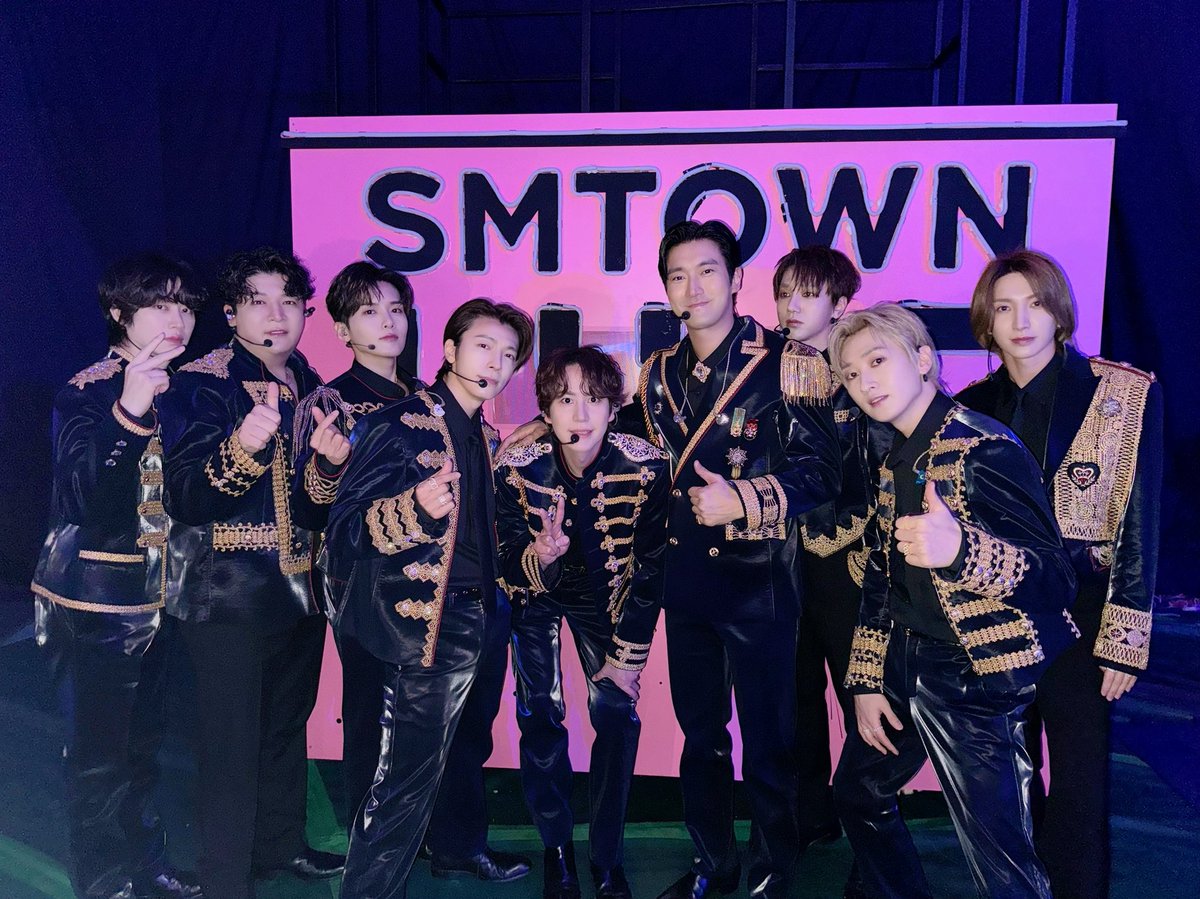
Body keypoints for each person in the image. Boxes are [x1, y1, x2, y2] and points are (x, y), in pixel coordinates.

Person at [829, 303, 1079, 899]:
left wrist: (962, 551)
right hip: (902, 662)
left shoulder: (984, 447)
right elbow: (882, 579)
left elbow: (1056, 579)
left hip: (974, 677)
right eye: (851, 373)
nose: (865, 382)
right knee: (859, 794)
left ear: (923, 359)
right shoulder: (895, 456)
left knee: (1001, 859)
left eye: (877, 361)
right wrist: (865, 682)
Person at [628, 220, 842, 899]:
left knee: (770, 743)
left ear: (737, 278)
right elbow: (635, 452)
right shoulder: (656, 373)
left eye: (708, 271)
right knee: (701, 738)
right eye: (678, 275)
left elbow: (823, 473)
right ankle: (712, 864)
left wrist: (744, 500)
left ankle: (774, 868)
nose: (693, 287)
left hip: (759, 585)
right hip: (687, 582)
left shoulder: (789, 361)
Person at [956, 249, 1162, 899]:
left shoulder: (1123, 394)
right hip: (998, 615)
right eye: (1004, 307)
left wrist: (1124, 639)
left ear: (1059, 311)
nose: (1021, 322)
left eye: (1035, 304)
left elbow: (1140, 520)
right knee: (1009, 780)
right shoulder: (966, 407)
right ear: (987, 319)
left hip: (1085, 615)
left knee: (1079, 777)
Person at [324, 297, 534, 899]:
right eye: (483, 346)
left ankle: (457, 849)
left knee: (468, 747)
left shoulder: (482, 433)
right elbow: (343, 532)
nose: (495, 363)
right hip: (426, 627)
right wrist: (412, 510)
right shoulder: (395, 425)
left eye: (508, 354)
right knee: (403, 781)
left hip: (484, 613)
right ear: (449, 350)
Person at [159, 248, 346, 899]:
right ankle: (225, 880)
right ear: (231, 312)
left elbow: (315, 504)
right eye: (258, 301)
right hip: (227, 597)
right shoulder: (200, 382)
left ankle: (280, 846)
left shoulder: (313, 384)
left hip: (300, 592)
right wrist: (242, 445)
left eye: (289, 301)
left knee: (285, 730)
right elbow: (186, 497)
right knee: (231, 748)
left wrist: (330, 466)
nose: (277, 315)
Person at [32, 254, 204, 899]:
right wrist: (129, 408)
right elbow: (85, 498)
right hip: (94, 600)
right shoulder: (87, 390)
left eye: (185, 305)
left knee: (144, 745)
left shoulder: (183, 390)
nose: (177, 317)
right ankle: (104, 882)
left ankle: (145, 863)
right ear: (118, 313)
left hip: (161, 595)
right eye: (159, 304)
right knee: (98, 756)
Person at [495, 346, 669, 899]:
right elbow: (504, 553)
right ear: (546, 410)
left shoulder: (648, 466)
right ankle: (557, 848)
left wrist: (628, 659)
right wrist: (538, 556)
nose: (581, 413)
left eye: (594, 399)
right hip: (536, 596)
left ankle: (607, 855)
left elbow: (652, 568)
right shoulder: (515, 466)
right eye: (566, 399)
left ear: (614, 408)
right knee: (540, 713)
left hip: (606, 599)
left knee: (616, 714)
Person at [291, 260, 422, 824]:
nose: (388, 322)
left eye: (396, 309)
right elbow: (309, 510)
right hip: (362, 579)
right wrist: (326, 464)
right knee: (370, 710)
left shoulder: (429, 397)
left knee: (424, 714)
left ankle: (421, 835)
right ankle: (366, 835)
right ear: (343, 330)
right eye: (370, 311)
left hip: (430, 577)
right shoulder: (329, 403)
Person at [771, 246, 876, 856]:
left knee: (863, 693)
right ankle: (809, 816)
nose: (791, 305)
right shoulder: (767, 367)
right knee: (793, 695)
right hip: (783, 558)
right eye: (784, 292)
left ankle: (871, 828)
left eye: (807, 294)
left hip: (854, 560)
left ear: (839, 303)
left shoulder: (865, 367)